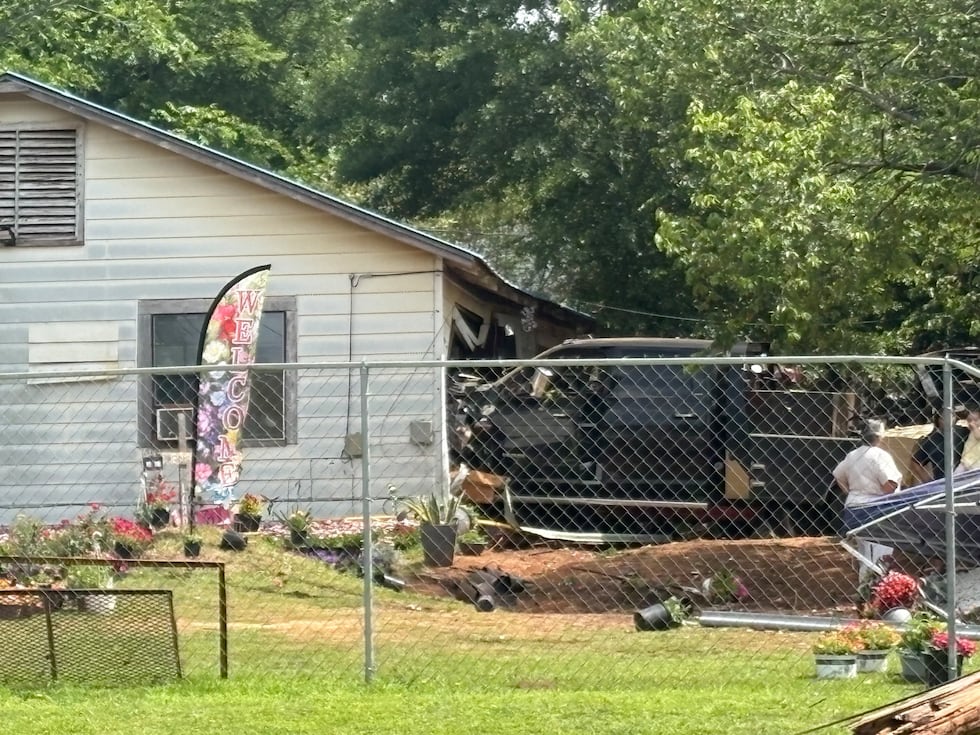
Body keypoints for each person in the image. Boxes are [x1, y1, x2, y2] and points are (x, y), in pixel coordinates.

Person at [835, 418, 904, 583]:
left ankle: (864, 591)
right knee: (880, 556)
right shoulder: (880, 455)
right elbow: (890, 485)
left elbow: (838, 475)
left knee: (865, 555)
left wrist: (853, 491)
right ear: (879, 436)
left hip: (854, 508)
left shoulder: (852, 455)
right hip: (876, 509)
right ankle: (876, 594)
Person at [910, 408, 968, 484]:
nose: (949, 420)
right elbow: (915, 462)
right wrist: (928, 482)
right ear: (938, 420)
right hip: (942, 482)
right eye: (944, 417)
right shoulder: (931, 440)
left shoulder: (964, 432)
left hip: (965, 478)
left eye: (952, 416)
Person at [955, 409, 980, 474]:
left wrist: (975, 428)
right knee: (956, 476)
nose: (972, 422)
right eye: (969, 420)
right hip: (965, 461)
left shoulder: (977, 429)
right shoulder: (971, 431)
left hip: (976, 463)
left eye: (975, 420)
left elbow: (978, 437)